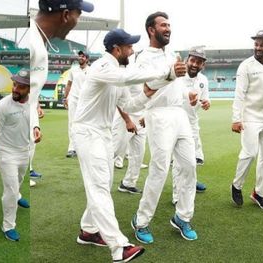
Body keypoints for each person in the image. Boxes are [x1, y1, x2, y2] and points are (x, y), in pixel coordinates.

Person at [73, 27, 184, 262]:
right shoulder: (104, 67)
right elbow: (127, 78)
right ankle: (119, 246)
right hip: (88, 132)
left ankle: (88, 230)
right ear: (117, 49)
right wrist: (167, 70)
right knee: (100, 188)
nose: (132, 51)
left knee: (102, 183)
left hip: (101, 133)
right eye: (129, 47)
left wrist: (154, 89)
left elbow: (131, 105)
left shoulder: (116, 71)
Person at [132, 12, 199, 244]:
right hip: (158, 114)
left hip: (179, 114)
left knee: (189, 166)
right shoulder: (142, 57)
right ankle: (141, 221)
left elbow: (177, 85)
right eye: (163, 25)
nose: (168, 28)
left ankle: (183, 216)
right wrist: (170, 74)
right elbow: (148, 85)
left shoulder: (172, 53)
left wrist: (188, 94)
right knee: (159, 170)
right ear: (151, 29)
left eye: (169, 24)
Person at [30, 0, 93, 186]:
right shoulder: (32, 43)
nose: (78, 21)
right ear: (65, 15)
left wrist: (34, 117)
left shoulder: (39, 41)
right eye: (78, 15)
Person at [0, 69, 40, 241]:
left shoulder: (32, 100)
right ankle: (8, 225)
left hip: (24, 151)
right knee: (10, 190)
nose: (16, 89)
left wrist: (36, 129)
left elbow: (33, 116)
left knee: (18, 181)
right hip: (6, 153)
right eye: (15, 84)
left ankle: (17, 196)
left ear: (29, 89)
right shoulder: (3, 105)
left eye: (21, 87)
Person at [231, 30, 263, 210]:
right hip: (250, 117)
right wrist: (236, 119)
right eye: (256, 44)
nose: (258, 47)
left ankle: (259, 193)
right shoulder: (245, 66)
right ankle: (237, 185)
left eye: (262, 44)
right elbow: (239, 94)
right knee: (250, 153)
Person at [171, 46, 210, 204]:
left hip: (192, 124)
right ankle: (176, 195)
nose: (195, 64)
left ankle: (191, 183)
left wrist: (206, 102)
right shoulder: (178, 77)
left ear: (203, 65)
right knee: (178, 162)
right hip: (175, 124)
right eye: (193, 60)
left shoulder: (203, 80)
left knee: (193, 160)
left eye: (199, 62)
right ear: (187, 60)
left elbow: (204, 99)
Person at [64, 50, 89, 158]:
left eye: (83, 56)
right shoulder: (73, 70)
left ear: (87, 59)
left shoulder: (92, 70)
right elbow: (69, 85)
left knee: (85, 124)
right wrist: (65, 98)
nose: (80, 58)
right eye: (79, 56)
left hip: (85, 100)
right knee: (72, 123)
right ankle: (71, 148)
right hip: (73, 99)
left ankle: (83, 148)